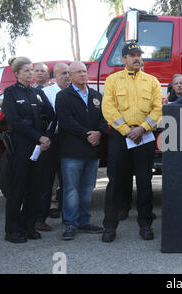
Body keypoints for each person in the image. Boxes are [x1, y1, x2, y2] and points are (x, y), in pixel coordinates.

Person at [101, 43, 162, 242]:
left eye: (139, 55)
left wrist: (142, 128)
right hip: (121, 138)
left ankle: (145, 225)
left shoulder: (152, 81)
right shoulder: (112, 80)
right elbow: (108, 109)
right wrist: (127, 131)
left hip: (144, 137)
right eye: (132, 55)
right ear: (124, 59)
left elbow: (157, 109)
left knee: (145, 183)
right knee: (115, 183)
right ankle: (109, 226)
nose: (137, 58)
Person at [1, 56, 56, 243]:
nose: (30, 73)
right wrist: (38, 137)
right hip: (21, 143)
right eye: (26, 70)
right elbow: (15, 121)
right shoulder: (10, 93)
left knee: (35, 187)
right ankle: (12, 230)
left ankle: (28, 226)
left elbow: (52, 116)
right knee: (18, 188)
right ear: (16, 74)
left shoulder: (37, 93)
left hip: (40, 145)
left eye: (31, 70)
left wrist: (46, 137)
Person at [55, 61, 107, 241]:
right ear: (69, 75)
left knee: (87, 189)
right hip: (72, 152)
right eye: (78, 72)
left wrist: (99, 132)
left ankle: (84, 222)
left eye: (84, 71)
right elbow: (65, 120)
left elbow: (104, 117)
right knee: (71, 189)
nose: (83, 75)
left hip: (91, 152)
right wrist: (87, 134)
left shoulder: (96, 96)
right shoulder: (63, 96)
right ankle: (70, 224)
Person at [33, 63, 70, 231]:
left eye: (69, 73)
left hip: (69, 140)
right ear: (54, 75)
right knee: (46, 181)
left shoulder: (74, 93)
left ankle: (68, 218)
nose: (67, 76)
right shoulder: (46, 93)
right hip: (51, 140)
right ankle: (40, 218)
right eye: (63, 73)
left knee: (68, 181)